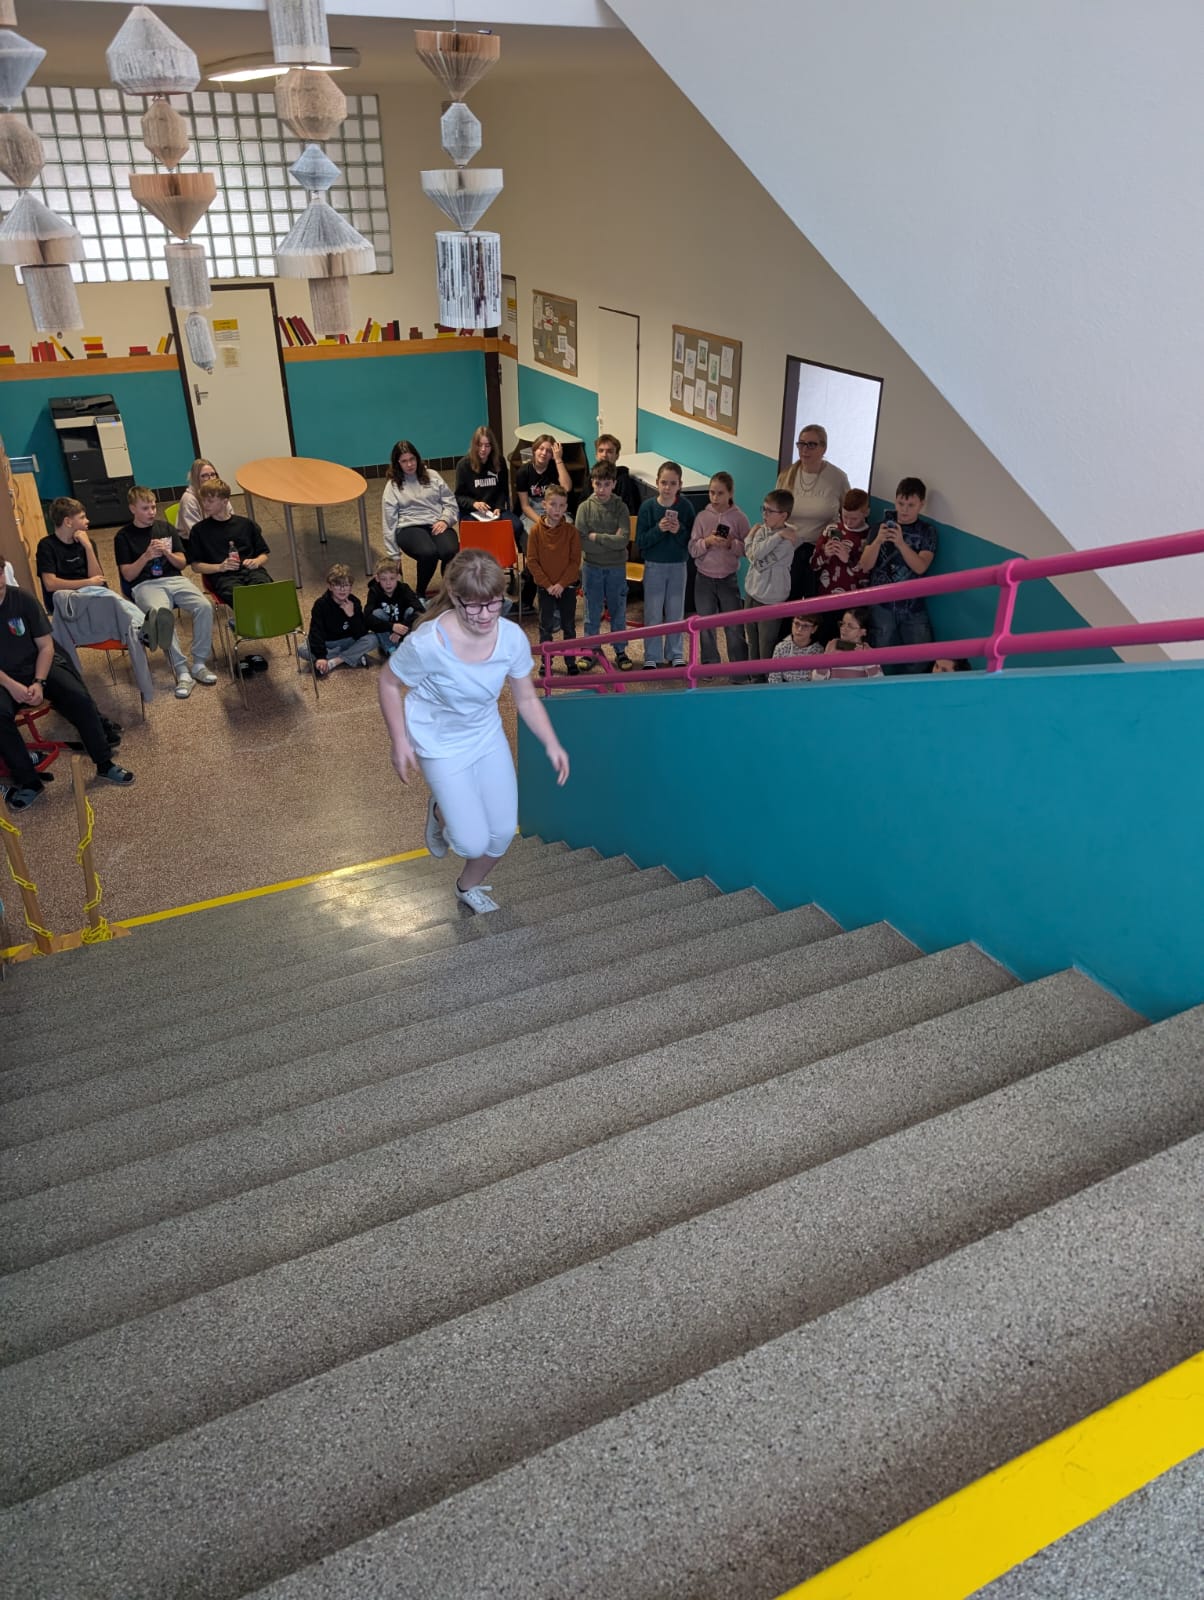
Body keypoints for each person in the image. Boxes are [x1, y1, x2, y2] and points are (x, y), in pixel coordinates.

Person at [378, 548, 569, 916]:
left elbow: (526, 698)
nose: (485, 616)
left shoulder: (510, 638)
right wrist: (398, 740)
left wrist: (552, 743)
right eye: (474, 606)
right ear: (454, 596)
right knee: (470, 842)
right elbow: (388, 682)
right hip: (438, 742)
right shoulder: (429, 644)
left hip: (485, 735)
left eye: (494, 604)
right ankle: (440, 811)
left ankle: (466, 886)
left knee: (502, 835)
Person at [0, 564, 134, 812]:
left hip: (39, 664)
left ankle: (105, 763)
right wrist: (13, 686)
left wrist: (39, 682)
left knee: (78, 697)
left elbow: (46, 647)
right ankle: (28, 782)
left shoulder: (23, 600)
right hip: (3, 678)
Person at [114, 486, 217, 698]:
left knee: (204, 606)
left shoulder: (166, 528)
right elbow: (128, 575)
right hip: (145, 585)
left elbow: (182, 562)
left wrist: (167, 554)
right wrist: (146, 556)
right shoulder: (123, 537)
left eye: (153, 507)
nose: (151, 512)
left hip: (175, 579)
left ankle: (199, 663)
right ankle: (181, 670)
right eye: (145, 508)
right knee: (162, 616)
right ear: (132, 509)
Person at [858, 476, 939, 673]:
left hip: (913, 605)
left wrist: (901, 544)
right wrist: (878, 541)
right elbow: (865, 565)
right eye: (901, 503)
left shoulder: (927, 531)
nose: (904, 510)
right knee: (879, 657)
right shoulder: (879, 527)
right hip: (881, 603)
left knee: (920, 658)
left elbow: (921, 567)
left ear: (921, 504)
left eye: (911, 505)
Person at [36, 497, 144, 631]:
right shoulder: (46, 546)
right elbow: (50, 584)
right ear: (68, 522)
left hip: (90, 592)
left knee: (114, 601)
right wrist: (88, 583)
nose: (87, 521)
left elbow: (98, 579)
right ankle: (141, 627)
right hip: (66, 598)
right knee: (110, 604)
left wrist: (88, 547)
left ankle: (143, 626)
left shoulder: (87, 542)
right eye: (82, 517)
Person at [777, 424, 851, 601]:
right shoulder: (787, 475)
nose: (805, 449)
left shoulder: (838, 478)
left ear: (823, 448)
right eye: (801, 444)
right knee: (787, 599)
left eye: (811, 445)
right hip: (790, 548)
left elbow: (847, 514)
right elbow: (775, 512)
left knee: (814, 601)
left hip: (822, 550)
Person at [574, 461, 635, 671]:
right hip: (592, 567)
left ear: (614, 484)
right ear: (592, 483)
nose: (602, 489)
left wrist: (596, 537)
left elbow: (623, 540)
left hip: (616, 568)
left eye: (607, 484)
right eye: (598, 484)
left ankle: (620, 650)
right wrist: (610, 540)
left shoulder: (620, 507)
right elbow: (582, 542)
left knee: (618, 610)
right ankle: (591, 650)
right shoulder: (584, 508)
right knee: (592, 611)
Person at [635, 461, 695, 668]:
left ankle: (675, 653)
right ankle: (652, 655)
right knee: (652, 611)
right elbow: (641, 542)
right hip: (654, 566)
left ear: (680, 485)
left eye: (673, 483)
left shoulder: (686, 507)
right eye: (664, 483)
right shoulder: (648, 507)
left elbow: (691, 542)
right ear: (657, 483)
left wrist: (679, 530)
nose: (668, 487)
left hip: (678, 566)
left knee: (675, 611)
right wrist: (658, 530)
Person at [381, 439, 460, 598]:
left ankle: (447, 590)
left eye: (412, 459)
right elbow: (388, 522)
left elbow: (451, 503)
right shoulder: (392, 486)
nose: (410, 464)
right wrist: (394, 555)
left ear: (417, 458)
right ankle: (420, 593)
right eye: (404, 461)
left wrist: (445, 520)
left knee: (450, 550)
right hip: (409, 526)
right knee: (428, 553)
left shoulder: (433, 476)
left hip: (436, 521)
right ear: (397, 464)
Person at [688, 471, 749, 670]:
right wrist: (707, 542)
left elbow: (749, 550)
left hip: (728, 579)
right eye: (711, 492)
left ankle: (739, 669)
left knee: (734, 625)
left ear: (730, 493)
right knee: (705, 625)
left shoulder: (739, 518)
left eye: (720, 493)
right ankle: (709, 665)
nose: (715, 498)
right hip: (704, 578)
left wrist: (731, 544)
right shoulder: (702, 517)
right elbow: (693, 549)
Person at [743, 489, 803, 675]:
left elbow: (756, 557)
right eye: (764, 509)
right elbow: (754, 554)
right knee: (752, 640)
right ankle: (753, 678)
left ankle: (764, 682)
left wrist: (775, 536)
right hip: (751, 592)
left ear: (783, 515)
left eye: (770, 511)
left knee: (766, 645)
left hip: (771, 598)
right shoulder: (762, 531)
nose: (764, 514)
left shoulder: (788, 540)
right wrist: (751, 538)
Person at [527, 485, 581, 676]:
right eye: (553, 504)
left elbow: (575, 562)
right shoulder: (535, 531)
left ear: (566, 507)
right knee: (546, 627)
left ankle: (570, 660)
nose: (557, 509)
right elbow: (532, 561)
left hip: (566, 587)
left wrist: (561, 584)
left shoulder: (571, 532)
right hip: (546, 588)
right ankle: (546, 662)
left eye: (562, 505)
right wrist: (548, 585)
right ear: (544, 505)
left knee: (569, 626)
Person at [302, 564, 379, 675]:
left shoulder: (354, 602)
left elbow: (361, 633)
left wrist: (352, 616)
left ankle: (335, 661)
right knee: (302, 649)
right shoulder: (321, 604)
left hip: (348, 641)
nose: (342, 589)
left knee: (373, 639)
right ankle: (353, 656)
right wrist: (321, 656)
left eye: (346, 585)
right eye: (338, 585)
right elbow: (316, 631)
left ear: (351, 587)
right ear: (330, 587)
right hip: (328, 642)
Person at [812, 488, 872, 604]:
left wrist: (849, 560)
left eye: (854, 518)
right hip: (824, 596)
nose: (848, 522)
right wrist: (825, 554)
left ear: (866, 513)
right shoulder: (832, 529)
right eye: (845, 516)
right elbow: (813, 565)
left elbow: (867, 578)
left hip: (852, 601)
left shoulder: (869, 536)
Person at [513, 434, 573, 535]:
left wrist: (558, 459)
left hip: (555, 507)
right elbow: (525, 506)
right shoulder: (523, 472)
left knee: (567, 527)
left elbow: (566, 488)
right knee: (535, 531)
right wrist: (542, 523)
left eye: (549, 451)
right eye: (541, 449)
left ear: (552, 454)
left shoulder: (557, 467)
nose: (544, 453)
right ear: (534, 450)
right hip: (533, 509)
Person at [365, 557, 424, 656]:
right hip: (387, 631)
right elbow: (367, 617)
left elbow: (421, 610)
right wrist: (392, 627)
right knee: (376, 613)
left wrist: (400, 629)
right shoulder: (374, 591)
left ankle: (408, 644)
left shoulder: (404, 588)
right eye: (383, 579)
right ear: (377, 578)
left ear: (398, 577)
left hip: (403, 629)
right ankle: (391, 649)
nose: (388, 583)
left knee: (412, 611)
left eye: (392, 578)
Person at [811, 606, 884, 680]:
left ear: (863, 632)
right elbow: (816, 679)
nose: (843, 628)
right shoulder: (833, 646)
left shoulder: (868, 651)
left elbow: (879, 680)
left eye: (850, 626)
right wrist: (827, 656)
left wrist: (867, 660)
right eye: (842, 624)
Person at [593, 433, 643, 517]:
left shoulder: (624, 481)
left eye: (609, 451)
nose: (604, 455)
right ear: (596, 455)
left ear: (617, 456)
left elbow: (628, 514)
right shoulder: (591, 477)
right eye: (601, 451)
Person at [768, 613, 825, 683]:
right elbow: (774, 678)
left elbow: (818, 681)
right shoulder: (781, 647)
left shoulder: (819, 651)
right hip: (784, 688)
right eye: (797, 623)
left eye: (806, 625)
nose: (799, 629)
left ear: (814, 629)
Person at [177, 458, 219, 539]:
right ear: (195, 478)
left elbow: (229, 517)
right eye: (204, 476)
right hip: (193, 540)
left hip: (214, 534)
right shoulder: (189, 499)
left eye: (213, 474)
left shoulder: (219, 493)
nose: (211, 479)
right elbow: (195, 533)